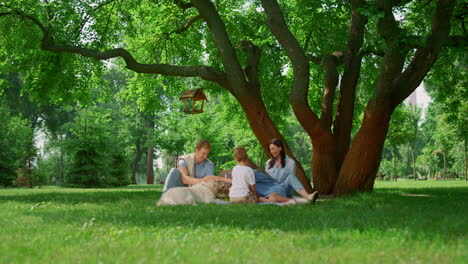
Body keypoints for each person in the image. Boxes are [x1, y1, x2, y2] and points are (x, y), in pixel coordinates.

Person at [162, 140, 231, 193]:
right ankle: (164, 196)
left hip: (198, 192)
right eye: (203, 153)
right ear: (197, 150)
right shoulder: (185, 160)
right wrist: (202, 180)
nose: (205, 156)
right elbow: (184, 179)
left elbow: (209, 184)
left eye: (207, 154)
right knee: (174, 171)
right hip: (182, 188)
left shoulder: (210, 165)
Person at [263, 138, 318, 203]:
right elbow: (266, 179)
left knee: (291, 177)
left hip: (284, 190)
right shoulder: (269, 163)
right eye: (270, 150)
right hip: (272, 191)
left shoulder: (290, 162)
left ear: (280, 148)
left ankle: (308, 196)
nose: (271, 151)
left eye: (273, 149)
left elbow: (291, 183)